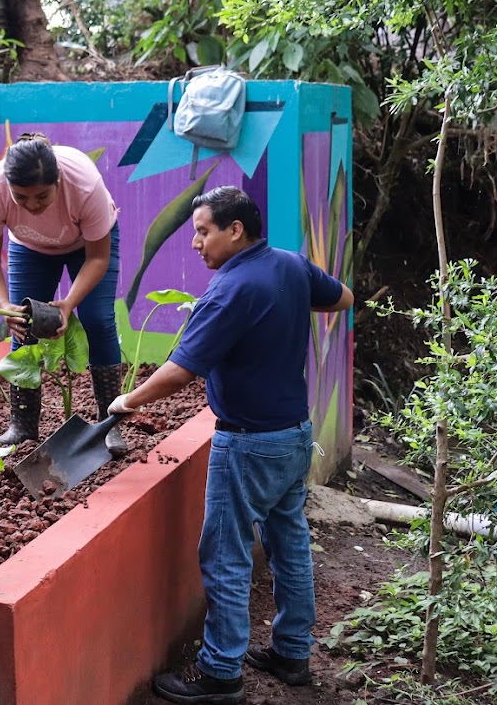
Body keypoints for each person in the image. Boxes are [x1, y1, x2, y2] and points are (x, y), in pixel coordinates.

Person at [108, 186, 353, 704]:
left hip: (247, 445)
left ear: (234, 230)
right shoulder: (289, 264)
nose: (195, 242)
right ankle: (292, 653)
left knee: (225, 555)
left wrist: (128, 400)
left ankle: (220, 672)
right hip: (293, 435)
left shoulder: (230, 290)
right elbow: (343, 297)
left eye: (203, 231)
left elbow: (180, 371)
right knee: (289, 544)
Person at [0, 133, 128, 455]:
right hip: (30, 249)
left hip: (88, 246)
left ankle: (108, 423)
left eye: (42, 197)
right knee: (23, 325)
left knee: (98, 320)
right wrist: (5, 307)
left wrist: (69, 303)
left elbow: (98, 258)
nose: (32, 206)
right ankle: (23, 425)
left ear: (58, 182)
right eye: (21, 197)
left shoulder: (84, 184)